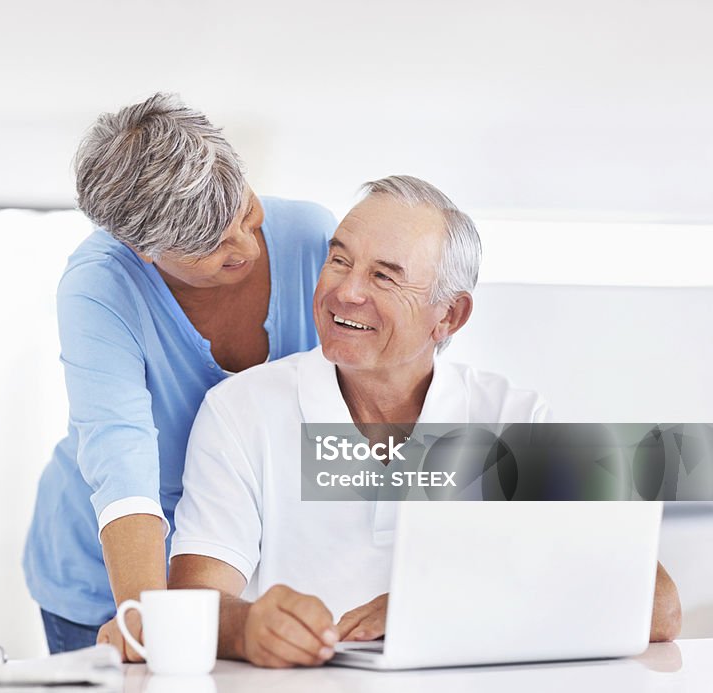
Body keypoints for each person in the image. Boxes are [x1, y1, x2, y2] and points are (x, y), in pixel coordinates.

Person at [168, 175, 682, 668]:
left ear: (449, 316)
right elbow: (195, 602)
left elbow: (657, 609)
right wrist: (247, 628)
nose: (345, 291)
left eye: (384, 276)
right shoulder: (239, 411)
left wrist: (438, 604)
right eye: (339, 260)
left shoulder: (514, 419)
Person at [22, 93, 337, 659]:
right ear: (144, 250)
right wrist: (147, 617)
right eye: (210, 245)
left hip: (232, 563)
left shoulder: (313, 239)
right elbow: (121, 456)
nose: (244, 246)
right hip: (109, 574)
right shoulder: (99, 286)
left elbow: (358, 398)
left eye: (245, 213)